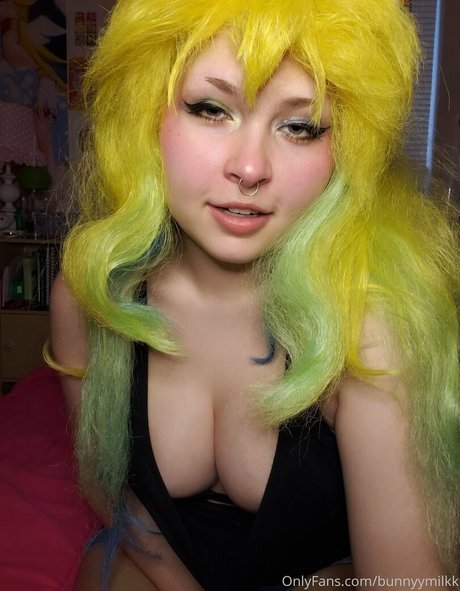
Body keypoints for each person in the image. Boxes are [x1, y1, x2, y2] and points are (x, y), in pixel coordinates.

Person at [49, 0, 460, 589]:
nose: (249, 168)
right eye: (210, 109)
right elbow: (115, 492)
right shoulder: (89, 294)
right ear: (144, 114)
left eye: (300, 126)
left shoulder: (369, 328)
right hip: (154, 562)